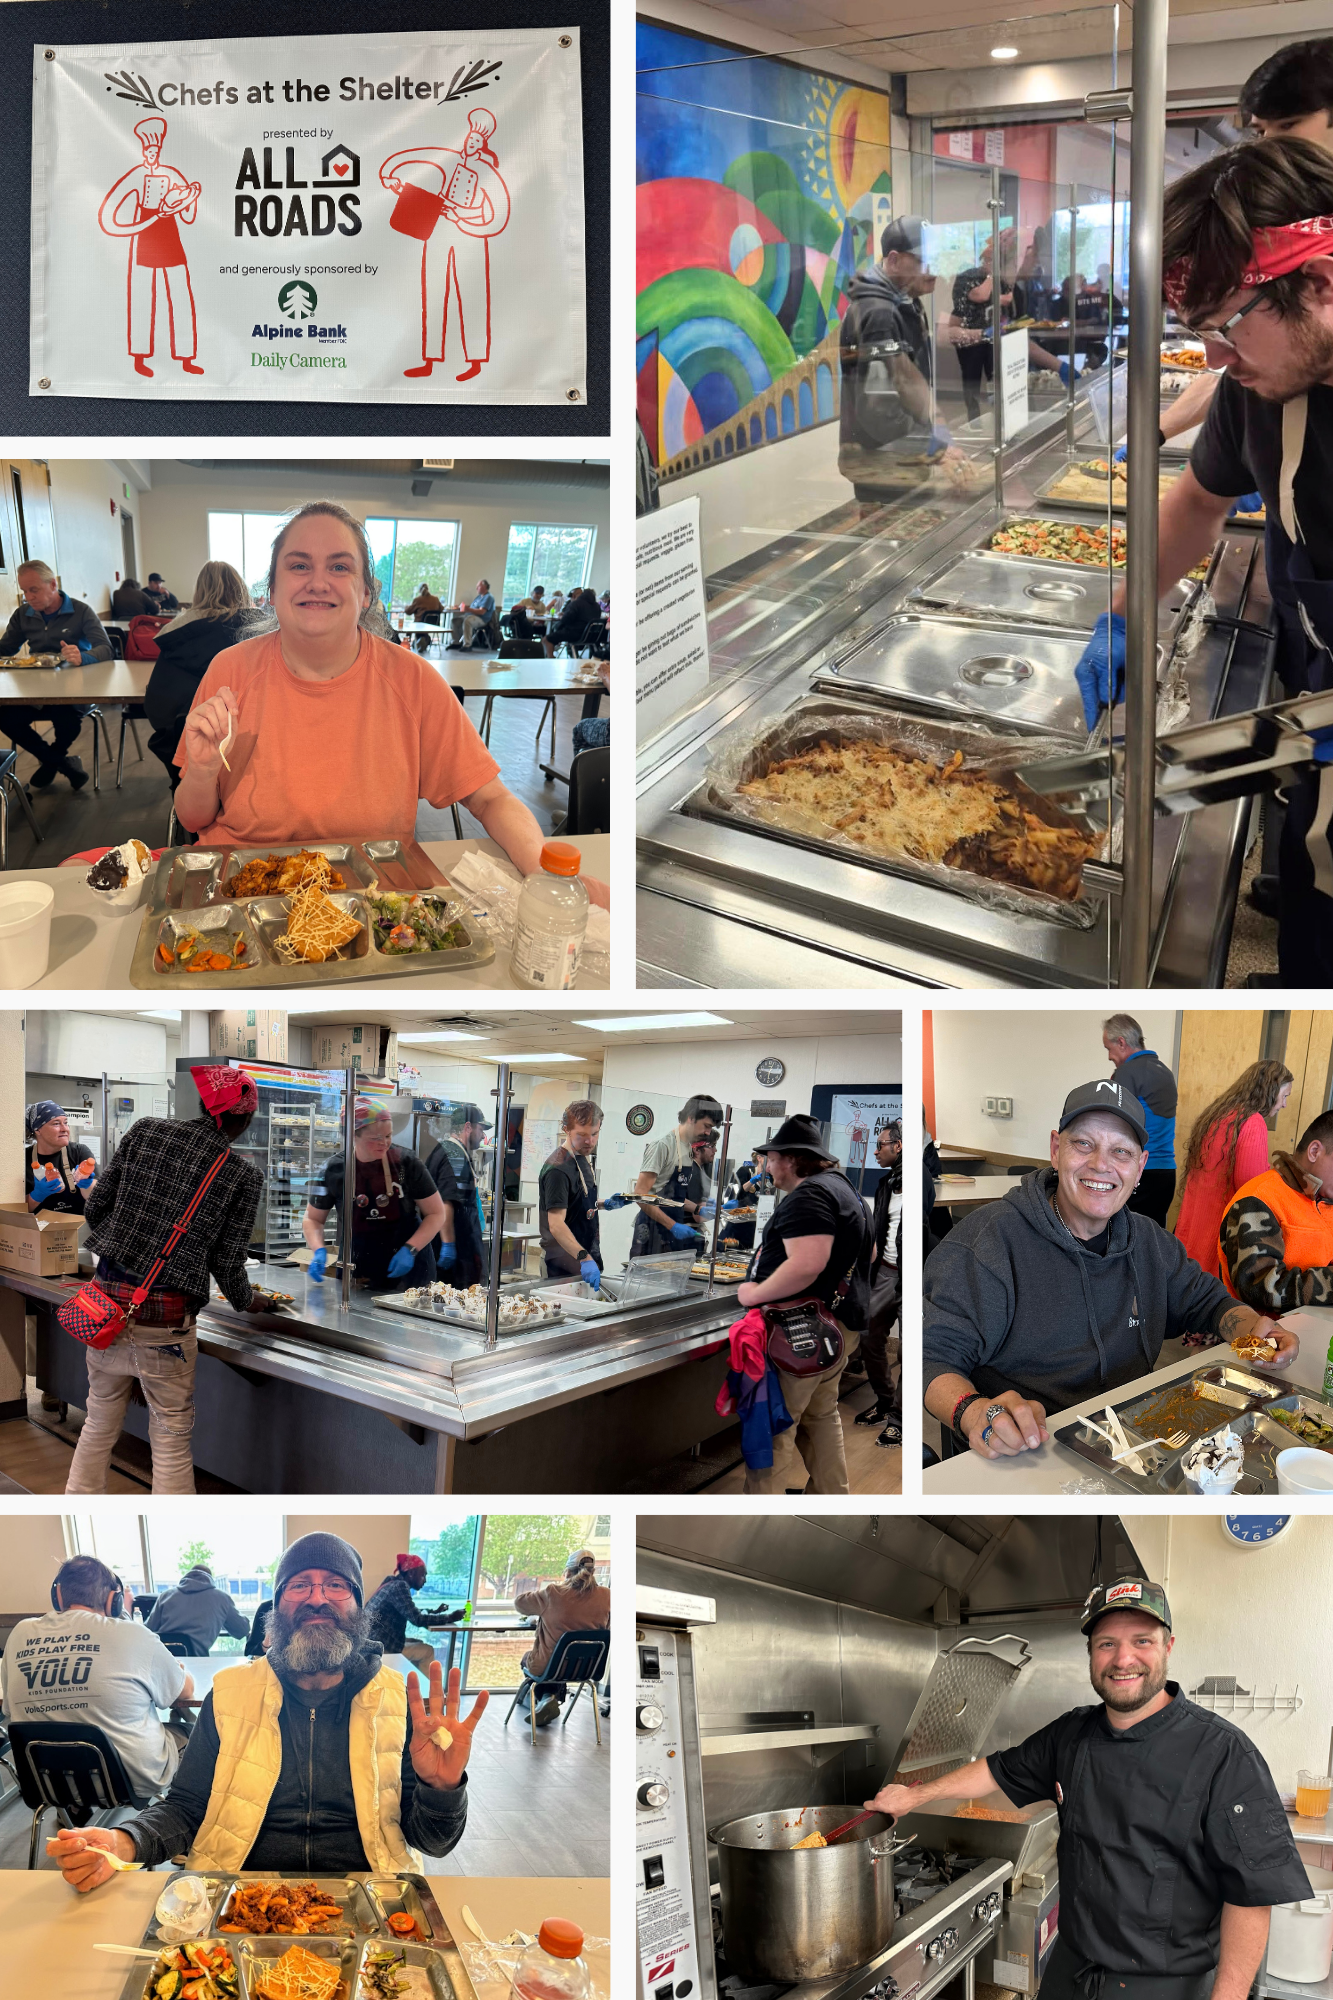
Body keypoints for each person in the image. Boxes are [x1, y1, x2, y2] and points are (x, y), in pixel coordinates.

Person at [1073, 140, 1333, 979]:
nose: (1214, 361)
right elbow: (1193, 504)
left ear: (1319, 282)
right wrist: (1122, 618)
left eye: (1224, 327)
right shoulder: (1259, 393)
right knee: (1312, 890)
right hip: (1318, 706)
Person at [865, 1579, 1311, 2000]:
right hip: (1071, 1970)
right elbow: (996, 1771)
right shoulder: (1071, 1734)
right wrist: (914, 1796)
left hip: (1165, 1985)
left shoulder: (1224, 1753)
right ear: (1091, 1653)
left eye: (1142, 1641)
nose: (1123, 1659)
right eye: (1106, 1644)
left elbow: (1251, 1896)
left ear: (1168, 1647)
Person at [172, 504, 607, 907]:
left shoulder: (412, 681)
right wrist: (204, 772)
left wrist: (544, 872)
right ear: (271, 589)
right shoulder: (229, 671)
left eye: (339, 566)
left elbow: (491, 798)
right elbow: (193, 818)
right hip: (240, 894)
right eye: (299, 565)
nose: (318, 582)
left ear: (365, 593)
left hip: (370, 900)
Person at [46, 1532, 486, 1889]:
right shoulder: (230, 1693)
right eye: (299, 1584)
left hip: (369, 1893)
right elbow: (186, 1807)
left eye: (336, 1584)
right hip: (240, 1892)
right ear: (276, 1607)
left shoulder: (398, 1701)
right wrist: (124, 1840)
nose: (317, 1598)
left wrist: (441, 1788)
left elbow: (433, 1843)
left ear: (357, 1606)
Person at [923, 1081, 1290, 1460]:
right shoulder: (985, 1245)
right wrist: (975, 1411)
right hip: (1029, 1452)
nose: (1101, 1164)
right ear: (1055, 1150)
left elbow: (1208, 1302)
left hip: (1132, 1443)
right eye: (1084, 1144)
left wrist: (1254, 1332)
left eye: (1121, 1151)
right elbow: (930, 1359)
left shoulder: (1150, 1241)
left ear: (1140, 1166)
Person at [64, 1067, 280, 1496]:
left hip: (105, 1311)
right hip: (167, 1326)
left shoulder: (145, 1132)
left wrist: (128, 1249)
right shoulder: (242, 1175)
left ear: (203, 1105)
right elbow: (227, 1263)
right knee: (170, 1439)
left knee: (98, 1421)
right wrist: (249, 1301)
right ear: (245, 1120)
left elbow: (96, 1208)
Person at [736, 1114, 873, 1496]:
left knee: (775, 1425)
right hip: (835, 1328)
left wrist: (753, 1294)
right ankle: (833, 1499)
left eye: (771, 1158)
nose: (767, 1167)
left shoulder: (809, 1196)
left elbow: (807, 1263)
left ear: (792, 1159)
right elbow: (871, 1253)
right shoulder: (845, 1189)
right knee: (821, 1416)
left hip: (800, 1333)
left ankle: (761, 1515)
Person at [3, 1556, 193, 1802]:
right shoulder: (133, 1634)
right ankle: (183, 1815)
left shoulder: (20, 1633)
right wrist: (179, 1669)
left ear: (57, 1595)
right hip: (128, 1782)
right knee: (192, 1732)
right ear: (113, 1600)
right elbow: (184, 1692)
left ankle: (75, 1811)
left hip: (48, 1783)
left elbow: (9, 1709)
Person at [380, 104, 510, 383]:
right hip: (437, 230)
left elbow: (499, 215)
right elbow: (414, 163)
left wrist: (463, 219)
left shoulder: (486, 171)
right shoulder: (447, 160)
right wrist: (393, 180)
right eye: (470, 137)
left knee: (472, 293)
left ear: (482, 144)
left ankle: (475, 361)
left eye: (477, 139)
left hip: (469, 237)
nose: (471, 142)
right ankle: (429, 360)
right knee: (433, 293)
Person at [838, 216, 963, 501]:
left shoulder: (906, 300)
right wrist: (932, 447)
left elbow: (912, 384)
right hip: (884, 461)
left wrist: (938, 436)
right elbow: (879, 410)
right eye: (924, 261)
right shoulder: (878, 312)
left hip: (904, 453)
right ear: (894, 260)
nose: (934, 271)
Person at [97, 116, 203, 380]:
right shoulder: (136, 175)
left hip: (170, 235)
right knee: (142, 295)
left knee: (180, 293)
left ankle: (186, 357)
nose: (152, 155)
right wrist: (136, 225)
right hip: (145, 235)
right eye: (148, 150)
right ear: (143, 151)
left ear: (160, 150)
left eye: (156, 150)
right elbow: (109, 213)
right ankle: (139, 357)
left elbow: (188, 215)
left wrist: (189, 199)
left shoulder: (172, 174)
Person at [305, 1099, 445, 1295]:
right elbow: (313, 1219)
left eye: (388, 1136)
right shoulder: (334, 1169)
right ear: (353, 1135)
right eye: (376, 1138)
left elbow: (436, 1213)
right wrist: (319, 1250)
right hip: (358, 1267)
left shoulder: (406, 1163)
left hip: (409, 1267)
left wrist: (411, 1249)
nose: (384, 1143)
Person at [144, 561, 264, 792]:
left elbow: (156, 707)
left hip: (188, 769)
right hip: (256, 765)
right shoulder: (263, 635)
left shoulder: (174, 637)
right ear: (241, 589)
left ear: (198, 592)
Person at [0, 560, 113, 791]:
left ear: (53, 584)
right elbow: (6, 648)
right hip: (35, 690)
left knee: (67, 721)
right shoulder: (23, 614)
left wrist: (83, 656)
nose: (28, 597)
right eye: (24, 591)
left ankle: (52, 762)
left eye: (34, 590)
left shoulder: (81, 611)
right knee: (5, 717)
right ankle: (62, 763)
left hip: (74, 689)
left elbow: (106, 648)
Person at [1176, 1061, 1294, 1279]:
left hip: (1195, 1225)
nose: (1285, 1104)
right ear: (1270, 1091)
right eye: (1284, 1096)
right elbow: (1251, 1189)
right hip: (1217, 1231)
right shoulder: (1253, 1122)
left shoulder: (1219, 1115)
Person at [1220, 1108, 1333, 1311]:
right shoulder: (1258, 1199)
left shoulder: (1325, 1199)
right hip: (1264, 1328)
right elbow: (1261, 1289)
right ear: (1314, 1151)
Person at [514, 1549, 610, 1728]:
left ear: (567, 1572)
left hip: (550, 1667)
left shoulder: (553, 1593)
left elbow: (519, 1604)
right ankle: (548, 1698)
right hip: (587, 1668)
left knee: (530, 1659)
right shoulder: (607, 1596)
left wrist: (543, 1611)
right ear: (593, 1571)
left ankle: (544, 1698)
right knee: (562, 1664)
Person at [538, 1099, 628, 1284]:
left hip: (584, 1256)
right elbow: (556, 1224)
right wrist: (584, 1258)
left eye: (594, 1133)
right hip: (561, 1263)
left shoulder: (581, 1158)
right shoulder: (558, 1170)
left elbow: (575, 1201)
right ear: (566, 1129)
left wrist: (604, 1204)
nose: (590, 1141)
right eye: (582, 1135)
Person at [1102, 1013, 1178, 1225]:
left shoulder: (1127, 1073)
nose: (1109, 1056)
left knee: (1123, 1234)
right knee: (1152, 1236)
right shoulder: (1165, 1071)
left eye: (1109, 1048)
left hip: (1140, 1173)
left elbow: (1112, 1124)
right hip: (1166, 1173)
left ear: (1121, 1042)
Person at [855, 1119, 903, 1448]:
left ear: (898, 1146)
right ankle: (886, 1401)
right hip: (885, 1272)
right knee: (869, 1336)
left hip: (913, 1276)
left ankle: (900, 1420)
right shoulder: (886, 1184)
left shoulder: (921, 1182)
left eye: (881, 1145)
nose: (875, 1151)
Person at [632, 1094, 722, 1256]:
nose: (708, 1132)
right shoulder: (663, 1146)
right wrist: (672, 1225)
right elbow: (640, 1195)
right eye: (706, 1126)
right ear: (691, 1118)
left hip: (672, 1229)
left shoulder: (687, 1148)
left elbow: (673, 1197)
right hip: (653, 1230)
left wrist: (698, 1209)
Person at [424, 1103, 491, 1288]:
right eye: (481, 1129)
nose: (483, 1135)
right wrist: (448, 1244)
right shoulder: (455, 1156)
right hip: (458, 1254)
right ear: (468, 1127)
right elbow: (446, 1203)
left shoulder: (445, 1149)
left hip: (457, 1247)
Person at [365, 1554, 466, 1675]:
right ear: (411, 1573)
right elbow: (417, 1619)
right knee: (427, 1651)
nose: (425, 1580)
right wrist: (450, 1617)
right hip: (382, 1648)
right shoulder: (399, 1586)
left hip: (374, 1641)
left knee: (419, 1642)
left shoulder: (391, 1582)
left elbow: (409, 1610)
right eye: (423, 1575)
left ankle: (407, 1682)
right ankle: (422, 1687)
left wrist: (433, 1612)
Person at [146, 1565, 250, 1655]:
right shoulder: (221, 1598)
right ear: (210, 1579)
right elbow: (242, 1630)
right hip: (197, 1662)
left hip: (163, 1659)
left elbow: (147, 1630)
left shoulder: (165, 1596)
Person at [25, 1100, 97, 1215]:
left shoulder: (79, 1152)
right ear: (37, 1130)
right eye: (56, 1124)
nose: (65, 1129)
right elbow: (17, 1211)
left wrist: (87, 1185)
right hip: (39, 1225)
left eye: (66, 1123)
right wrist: (36, 1196)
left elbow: (98, 1200)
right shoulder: (23, 1159)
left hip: (79, 1224)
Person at [447, 578, 496, 649]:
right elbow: (472, 608)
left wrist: (468, 609)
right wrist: (460, 607)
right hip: (471, 616)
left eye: (478, 586)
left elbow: (482, 612)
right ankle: (456, 642)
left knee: (468, 621)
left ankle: (467, 644)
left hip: (482, 619)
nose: (476, 588)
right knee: (455, 621)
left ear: (485, 587)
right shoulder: (478, 597)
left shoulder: (488, 597)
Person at [406, 580, 443, 653]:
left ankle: (409, 644)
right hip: (434, 624)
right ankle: (424, 640)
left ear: (419, 590)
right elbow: (441, 609)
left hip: (420, 624)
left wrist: (406, 607)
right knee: (420, 631)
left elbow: (408, 612)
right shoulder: (435, 599)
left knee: (409, 628)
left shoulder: (418, 600)